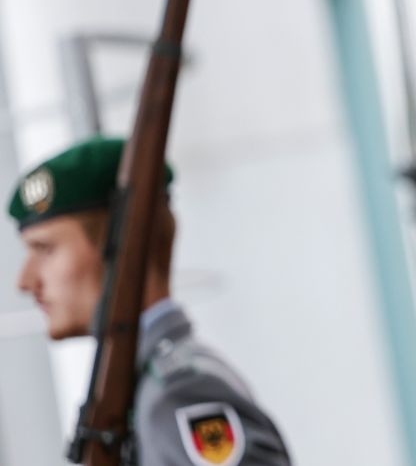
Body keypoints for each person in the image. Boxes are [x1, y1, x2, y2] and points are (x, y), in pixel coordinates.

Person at [11, 137, 291, 466]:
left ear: (120, 248)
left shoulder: (182, 396)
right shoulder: (144, 392)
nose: (25, 281)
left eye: (45, 250)